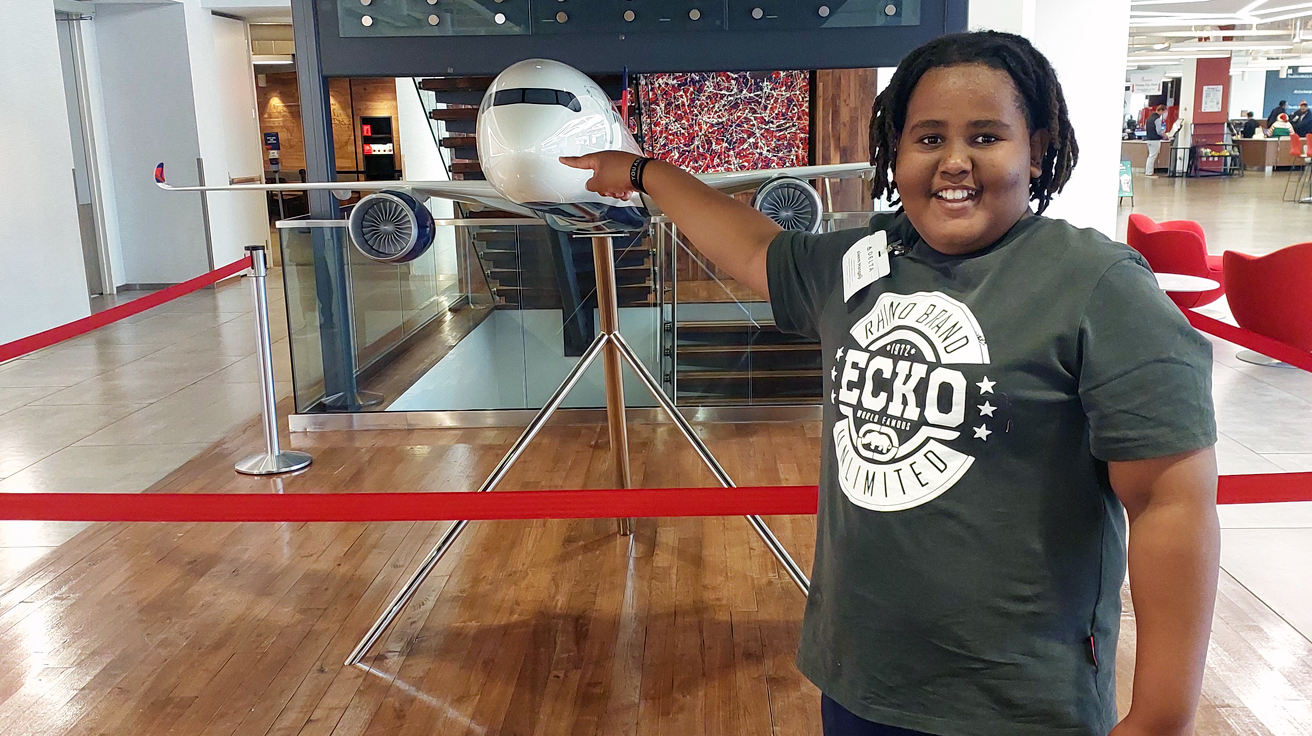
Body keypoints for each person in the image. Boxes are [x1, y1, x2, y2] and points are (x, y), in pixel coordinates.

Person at [565, 30, 1219, 736]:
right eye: (929, 138)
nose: (954, 161)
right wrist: (645, 173)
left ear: (1036, 149)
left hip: (1015, 705)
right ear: (894, 152)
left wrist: (1161, 717)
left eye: (986, 136)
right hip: (861, 682)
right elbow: (755, 247)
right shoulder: (864, 259)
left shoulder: (1098, 286)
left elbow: (1169, 502)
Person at [1144, 103, 1167, 176]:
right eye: (1164, 112)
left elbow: (1145, 127)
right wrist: (1165, 136)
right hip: (1155, 140)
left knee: (1150, 156)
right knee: (1152, 157)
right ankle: (1149, 173)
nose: (1164, 114)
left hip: (1149, 139)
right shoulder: (1157, 119)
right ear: (1161, 111)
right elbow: (1159, 131)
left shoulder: (1149, 117)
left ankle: (1148, 171)